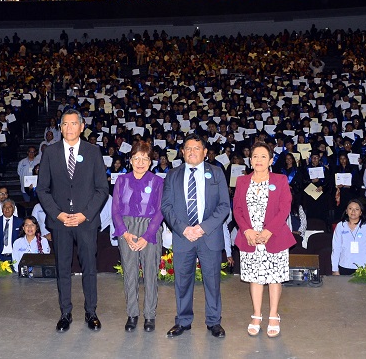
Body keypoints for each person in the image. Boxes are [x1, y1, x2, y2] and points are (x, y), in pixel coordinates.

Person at [38, 109, 109, 333]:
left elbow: (102, 189)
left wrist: (85, 214)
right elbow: (42, 189)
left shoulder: (93, 151)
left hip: (85, 221)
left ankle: (91, 312)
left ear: (82, 126)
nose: (69, 128)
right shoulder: (50, 152)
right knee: (63, 268)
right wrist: (58, 214)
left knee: (89, 268)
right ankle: (65, 313)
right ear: (60, 128)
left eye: (73, 124)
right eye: (65, 124)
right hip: (60, 222)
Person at [161, 133, 230, 339]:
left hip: (208, 235)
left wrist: (202, 227)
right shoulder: (172, 174)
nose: (192, 152)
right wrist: (184, 229)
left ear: (205, 152)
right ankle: (183, 321)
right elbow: (166, 206)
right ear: (182, 152)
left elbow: (225, 205)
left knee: (212, 281)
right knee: (182, 281)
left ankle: (214, 322)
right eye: (188, 148)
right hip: (183, 236)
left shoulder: (216, 173)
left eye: (196, 148)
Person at [232, 142, 294, 338]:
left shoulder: (280, 179)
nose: (258, 160)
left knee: (274, 277)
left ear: (271, 160)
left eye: (263, 156)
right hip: (250, 238)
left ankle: (273, 315)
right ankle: (257, 315)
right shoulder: (242, 181)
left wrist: (268, 232)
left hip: (273, 237)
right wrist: (247, 230)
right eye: (255, 156)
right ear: (250, 160)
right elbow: (237, 210)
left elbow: (285, 208)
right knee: (255, 277)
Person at [111, 141, 164, 333]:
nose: (140, 162)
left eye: (145, 158)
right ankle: (132, 314)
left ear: (150, 162)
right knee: (130, 273)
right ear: (130, 160)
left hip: (150, 227)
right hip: (127, 228)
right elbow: (115, 210)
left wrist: (147, 236)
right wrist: (124, 233)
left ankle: (150, 315)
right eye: (136, 158)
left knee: (150, 273)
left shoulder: (158, 182)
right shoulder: (121, 181)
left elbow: (160, 211)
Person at [331, 199, 366, 275]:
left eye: (356, 209)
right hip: (344, 265)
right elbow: (336, 248)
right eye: (350, 209)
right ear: (346, 211)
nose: (353, 211)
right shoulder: (340, 226)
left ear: (361, 212)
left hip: (364, 266)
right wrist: (335, 269)